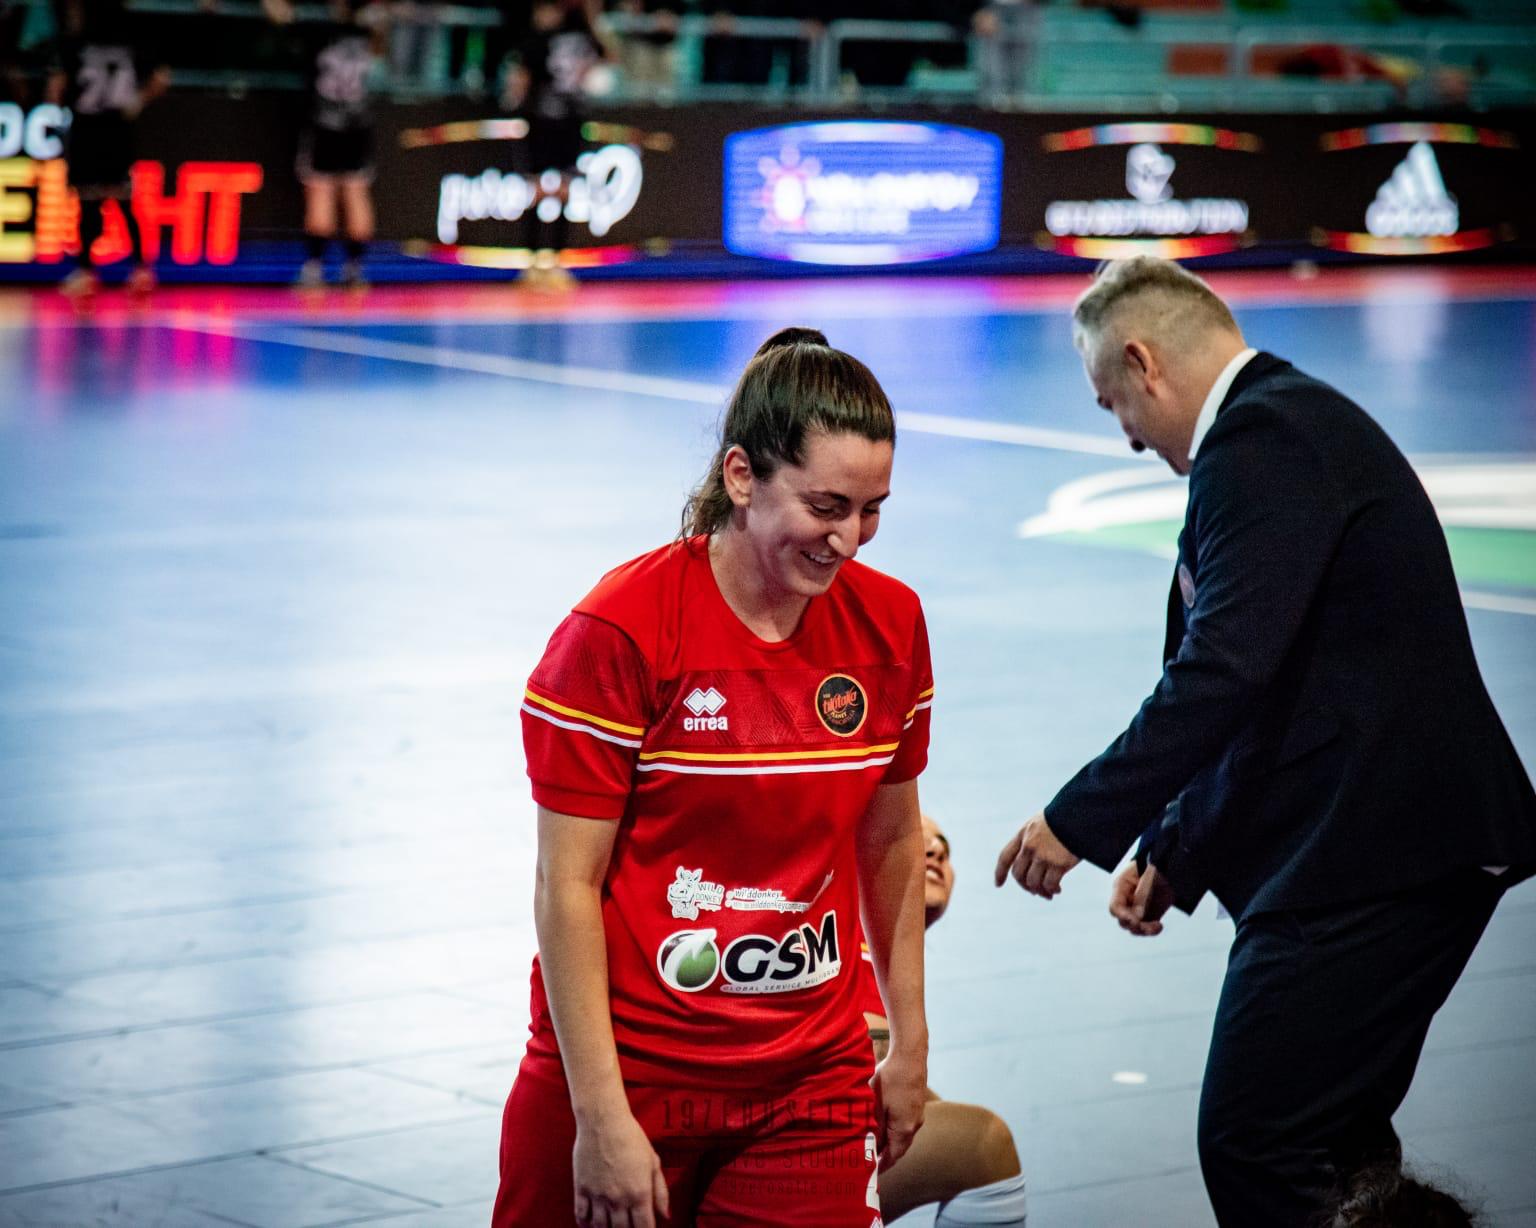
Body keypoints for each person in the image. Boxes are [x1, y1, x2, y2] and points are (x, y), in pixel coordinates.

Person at [993, 256, 1536, 1227]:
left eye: (1111, 399)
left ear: (1143, 362)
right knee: (1330, 1138)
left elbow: (1224, 670)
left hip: (1383, 855)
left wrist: (1078, 820)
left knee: (1257, 1138)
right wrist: (1176, 846)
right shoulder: (1282, 430)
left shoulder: (1267, 438)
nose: (1122, 433)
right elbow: (1272, 685)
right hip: (1384, 845)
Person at [493, 326, 934, 1227]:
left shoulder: (891, 625)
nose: (849, 538)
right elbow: (565, 885)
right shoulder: (621, 631)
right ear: (741, 477)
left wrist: (911, 1043)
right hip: (630, 1072)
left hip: (807, 1085)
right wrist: (602, 1117)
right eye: (826, 505)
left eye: (872, 508)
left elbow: (890, 839)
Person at [859, 814, 1027, 1226]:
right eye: (920, 837)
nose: (936, 850)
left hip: (834, 1136)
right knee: (983, 1147)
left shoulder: (889, 972)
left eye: (945, 849)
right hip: (797, 1145)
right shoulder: (839, 938)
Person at [48, 0, 168, 297]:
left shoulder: (76, 43)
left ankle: (87, 271)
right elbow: (162, 76)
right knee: (124, 202)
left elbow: (56, 86)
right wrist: (136, 101)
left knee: (90, 203)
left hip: (90, 130)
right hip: (117, 130)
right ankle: (141, 270)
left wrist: (55, 113)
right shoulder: (129, 39)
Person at [266, 0, 385, 289]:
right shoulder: (370, 31)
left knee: (321, 193)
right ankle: (355, 268)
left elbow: (281, 14)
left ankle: (315, 268)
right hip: (358, 125)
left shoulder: (320, 28)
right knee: (356, 192)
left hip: (326, 126)